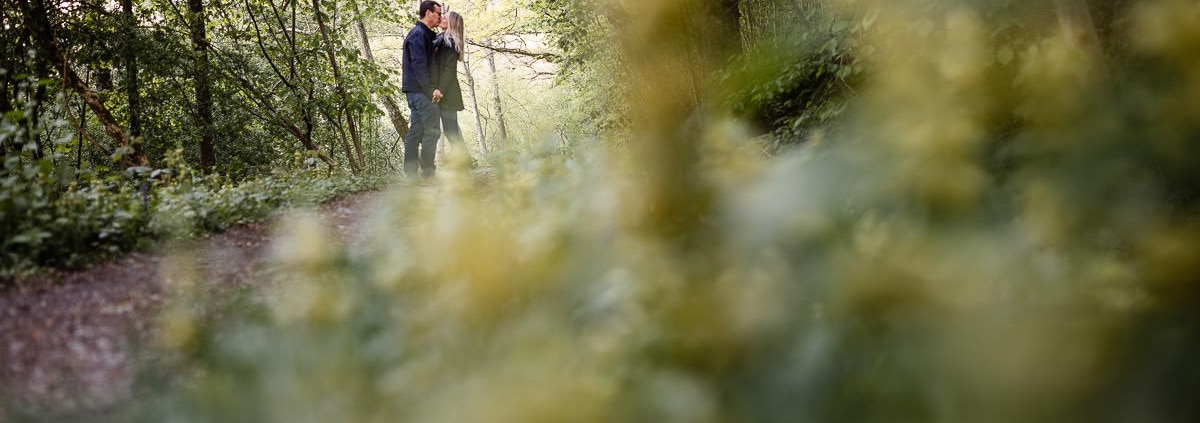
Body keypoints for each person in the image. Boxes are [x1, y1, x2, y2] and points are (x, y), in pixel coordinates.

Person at [401, 1, 443, 179]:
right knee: (432, 131)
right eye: (438, 13)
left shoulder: (424, 34)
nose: (440, 17)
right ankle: (428, 173)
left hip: (415, 92)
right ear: (428, 12)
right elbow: (420, 65)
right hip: (421, 92)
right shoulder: (418, 34)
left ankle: (411, 175)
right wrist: (430, 90)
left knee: (416, 131)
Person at [433, 11, 475, 165]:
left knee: (451, 130)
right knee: (451, 130)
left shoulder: (449, 40)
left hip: (447, 93)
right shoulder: (441, 38)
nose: (441, 18)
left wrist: (440, 90)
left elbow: (449, 70)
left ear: (451, 23)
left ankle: (464, 162)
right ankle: (465, 161)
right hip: (444, 91)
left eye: (445, 17)